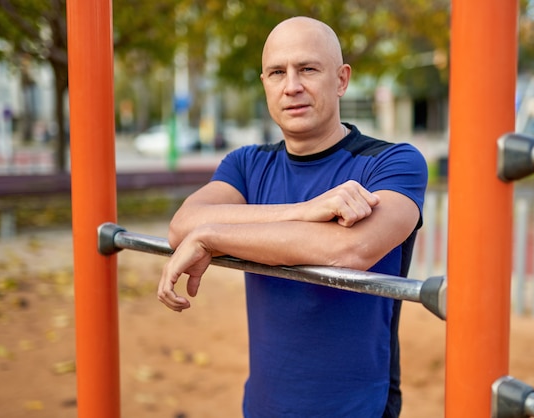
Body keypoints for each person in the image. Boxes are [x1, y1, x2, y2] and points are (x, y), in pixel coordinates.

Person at [157, 16, 428, 418]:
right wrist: (305, 211)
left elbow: (349, 249)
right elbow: (183, 225)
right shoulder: (247, 164)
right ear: (264, 83)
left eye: (308, 69)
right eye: (277, 72)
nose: (292, 86)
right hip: (263, 406)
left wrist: (213, 235)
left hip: (359, 409)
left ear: (341, 79)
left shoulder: (391, 162)